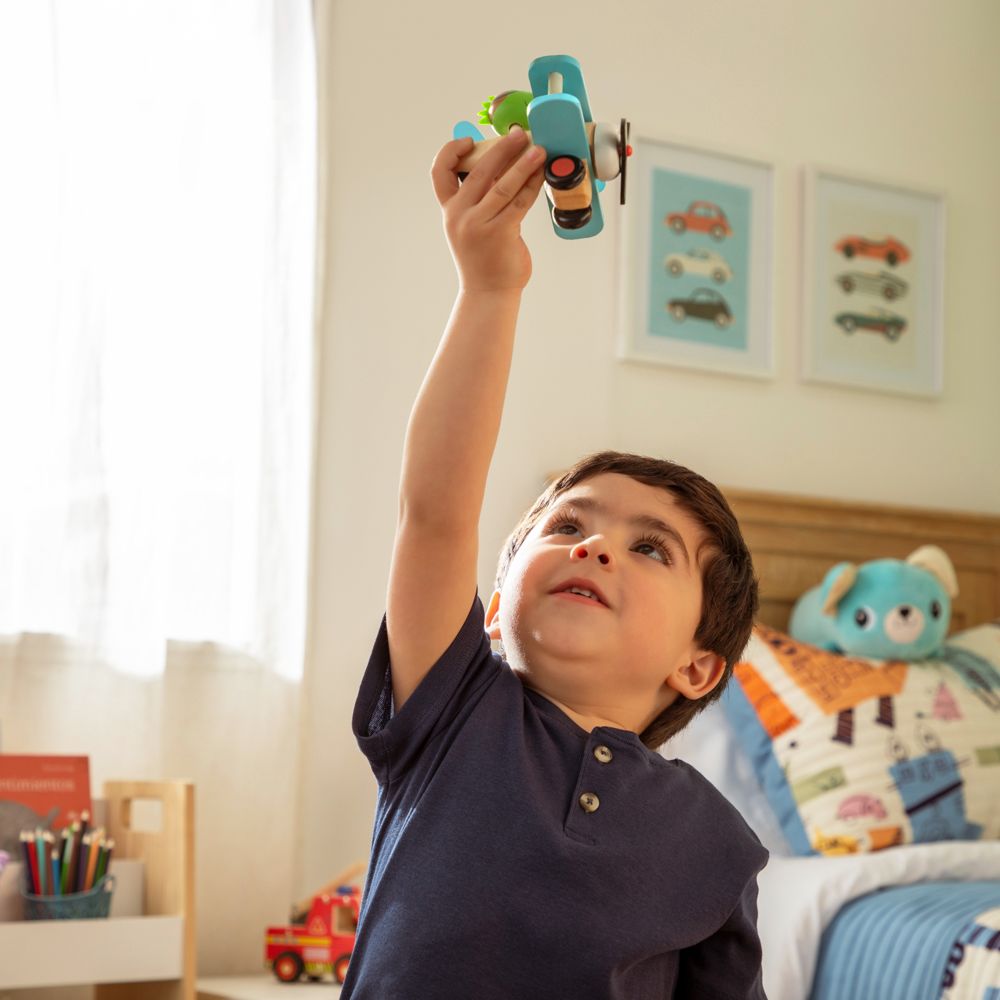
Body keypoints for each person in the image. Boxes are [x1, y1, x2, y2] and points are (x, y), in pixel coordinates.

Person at [342, 125, 768, 999]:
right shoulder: (451, 711)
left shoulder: (717, 843)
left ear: (697, 666)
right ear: (496, 609)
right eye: (569, 524)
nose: (595, 544)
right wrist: (491, 286)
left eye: (651, 548)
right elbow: (434, 516)